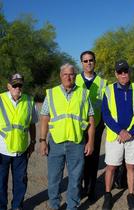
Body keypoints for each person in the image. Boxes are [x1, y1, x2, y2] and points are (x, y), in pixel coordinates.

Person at [39, 63, 95, 210]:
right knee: (54, 179)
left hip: (77, 143)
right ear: (60, 76)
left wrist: (90, 142)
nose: (68, 77)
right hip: (55, 143)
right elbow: (45, 117)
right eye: (65, 74)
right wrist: (43, 140)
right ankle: (55, 206)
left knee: (75, 180)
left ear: (75, 76)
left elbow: (90, 120)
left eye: (71, 74)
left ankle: (72, 206)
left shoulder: (83, 93)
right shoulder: (51, 93)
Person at [102, 60, 134, 210]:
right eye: (120, 72)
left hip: (133, 136)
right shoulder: (108, 90)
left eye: (126, 71)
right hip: (116, 136)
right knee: (111, 167)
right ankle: (108, 195)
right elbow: (106, 115)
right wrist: (120, 131)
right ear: (116, 74)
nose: (123, 74)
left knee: (131, 166)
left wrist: (130, 132)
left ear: (129, 72)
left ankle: (131, 195)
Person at [0, 73, 38, 210]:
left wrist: (33, 142)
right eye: (14, 85)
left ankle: (17, 206)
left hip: (21, 151)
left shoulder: (29, 101)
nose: (17, 88)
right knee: (0, 182)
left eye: (20, 85)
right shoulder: (0, 99)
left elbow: (32, 124)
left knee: (20, 182)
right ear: (9, 86)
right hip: (2, 150)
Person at [76, 50, 107, 201]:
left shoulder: (102, 83)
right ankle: (79, 188)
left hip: (97, 126)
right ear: (81, 63)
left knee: (93, 159)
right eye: (85, 61)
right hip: (78, 126)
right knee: (79, 159)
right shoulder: (74, 80)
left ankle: (91, 190)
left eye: (91, 60)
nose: (88, 63)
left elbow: (107, 106)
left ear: (95, 62)